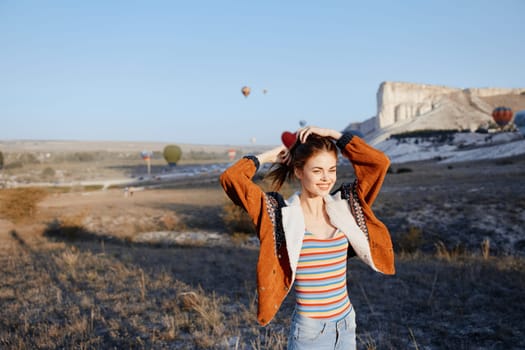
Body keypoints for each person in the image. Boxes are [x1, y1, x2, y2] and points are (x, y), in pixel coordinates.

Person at [220, 126, 395, 349]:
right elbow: (231, 178)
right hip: (310, 333)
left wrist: (335, 136)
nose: (326, 178)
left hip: (346, 323)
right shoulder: (278, 215)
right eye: (317, 171)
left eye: (332, 170)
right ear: (299, 172)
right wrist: (268, 156)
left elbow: (378, 163)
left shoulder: (346, 205)